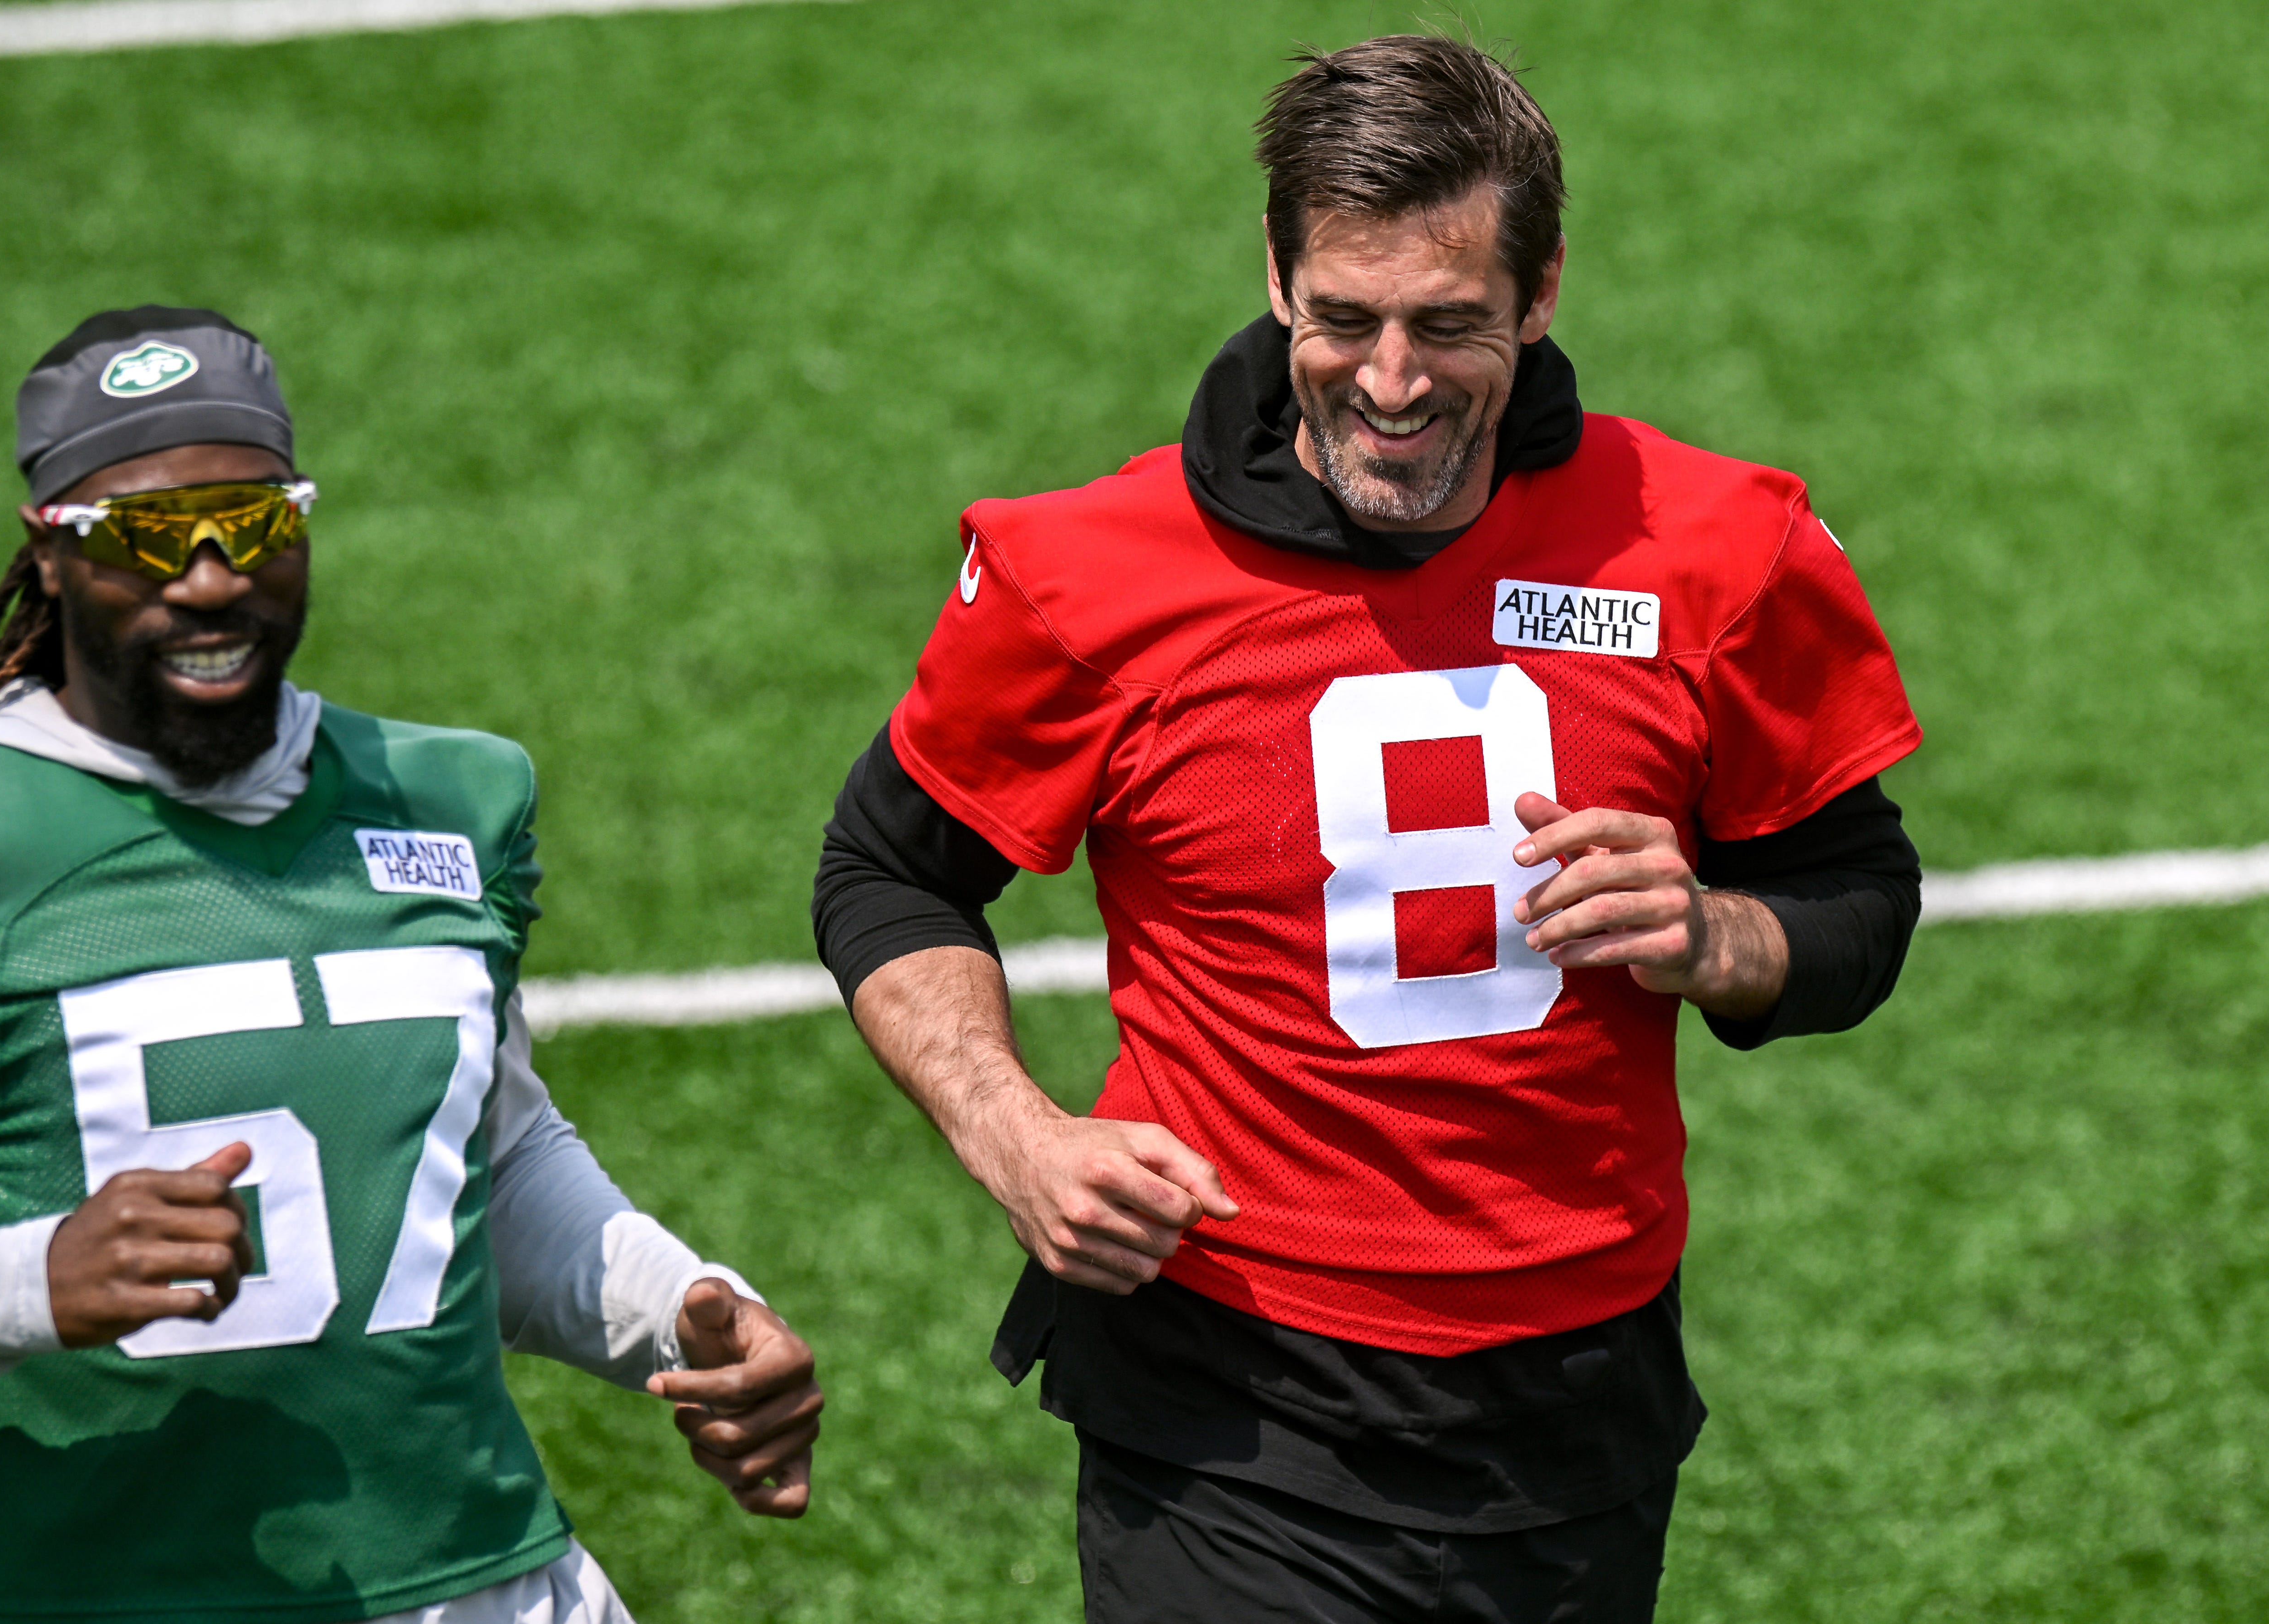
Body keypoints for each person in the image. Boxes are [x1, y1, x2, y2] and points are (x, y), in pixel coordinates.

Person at [812, 36, 1922, 1623]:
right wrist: (1016, 1136)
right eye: (1344, 318)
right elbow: (887, 873)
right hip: (1226, 1404)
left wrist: (1716, 937)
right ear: (1275, 277)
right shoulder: (1090, 574)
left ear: (1540, 297)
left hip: (1577, 1402)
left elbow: (1857, 900)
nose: (1390, 383)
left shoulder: (1714, 548)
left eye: (1449, 325)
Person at [0, 307, 821, 1624]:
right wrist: (30, 1282)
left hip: (495, 1588)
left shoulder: (442, 802)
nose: (208, 581)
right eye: (146, 537)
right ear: (48, 557)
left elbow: (483, 1158)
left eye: (253, 525)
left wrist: (688, 1309)